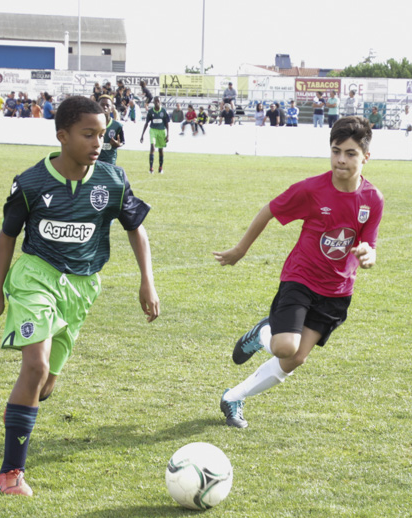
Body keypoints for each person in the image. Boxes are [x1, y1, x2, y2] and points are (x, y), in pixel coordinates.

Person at [0, 95, 159, 496]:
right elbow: (7, 237)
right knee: (35, 367)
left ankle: (20, 418)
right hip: (35, 279)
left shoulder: (112, 180)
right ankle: (11, 473)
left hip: (81, 288)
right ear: (62, 136)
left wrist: (146, 280)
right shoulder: (30, 182)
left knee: (45, 385)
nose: (99, 142)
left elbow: (135, 227)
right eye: (88, 134)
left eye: (102, 133)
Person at [212, 116, 383, 429]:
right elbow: (270, 210)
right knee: (284, 347)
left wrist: (368, 254)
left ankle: (233, 397)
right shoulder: (312, 189)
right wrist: (240, 250)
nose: (341, 160)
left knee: (295, 359)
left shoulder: (372, 199)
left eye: (350, 153)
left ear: (366, 156)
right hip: (301, 278)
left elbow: (368, 242)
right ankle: (264, 333)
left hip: (337, 291)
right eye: (336, 152)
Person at [140, 96, 171, 174]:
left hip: (161, 131)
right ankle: (151, 168)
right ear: (153, 102)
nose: (157, 102)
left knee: (160, 150)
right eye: (155, 101)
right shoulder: (150, 112)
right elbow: (146, 123)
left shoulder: (163, 111)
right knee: (152, 148)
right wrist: (142, 135)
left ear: (160, 102)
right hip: (153, 130)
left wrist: (168, 135)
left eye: (158, 101)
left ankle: (160, 168)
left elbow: (167, 123)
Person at [98, 95, 125, 164]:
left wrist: (118, 144)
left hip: (110, 163)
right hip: (95, 163)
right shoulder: (92, 125)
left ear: (112, 108)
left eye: (107, 105)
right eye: (102, 105)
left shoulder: (117, 126)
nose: (105, 107)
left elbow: (122, 141)